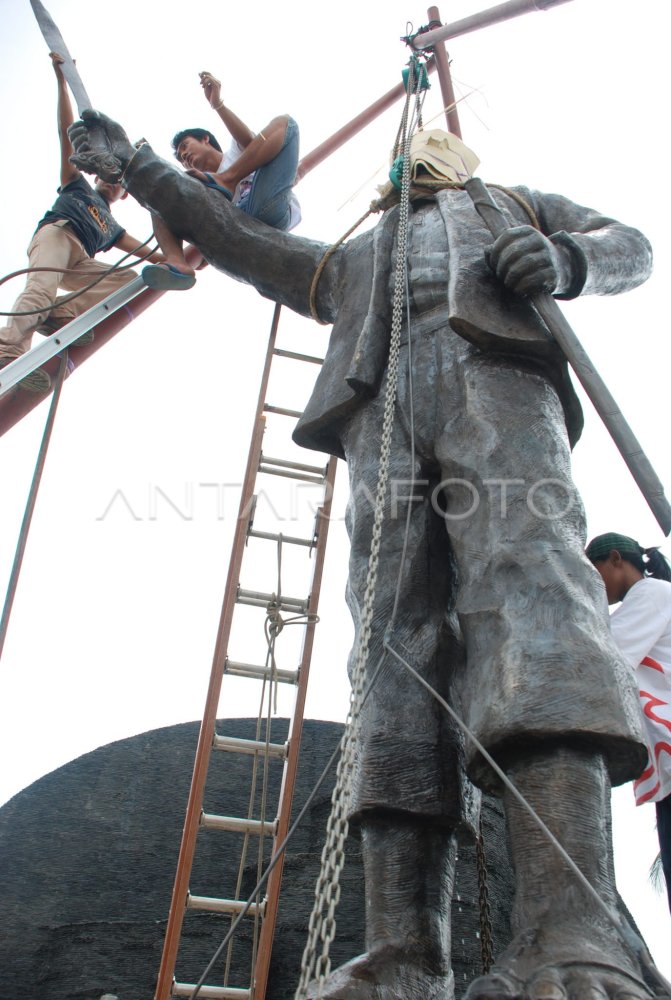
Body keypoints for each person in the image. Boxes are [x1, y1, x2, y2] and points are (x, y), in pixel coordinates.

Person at [68, 111, 669, 1000]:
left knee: (536, 598)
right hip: (378, 407)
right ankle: (403, 948)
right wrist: (144, 169)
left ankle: (571, 931)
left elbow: (629, 243)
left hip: (499, 382)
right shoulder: (355, 255)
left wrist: (570, 262)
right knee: (392, 647)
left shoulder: (513, 205)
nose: (409, 161)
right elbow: (235, 238)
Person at [0, 53, 164, 393]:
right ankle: (8, 351)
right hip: (59, 235)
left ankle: (57, 313)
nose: (110, 182)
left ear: (124, 193)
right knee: (41, 287)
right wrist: (61, 81)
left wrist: (182, 259)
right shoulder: (76, 184)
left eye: (119, 181)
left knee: (128, 280)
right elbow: (64, 132)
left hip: (80, 259)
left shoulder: (111, 226)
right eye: (109, 175)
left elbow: (149, 254)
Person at [141, 70, 301, 292]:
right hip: (233, 227)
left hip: (266, 207)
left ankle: (228, 179)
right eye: (180, 157)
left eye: (185, 146)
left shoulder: (236, 152)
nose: (184, 156)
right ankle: (177, 262)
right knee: (159, 191)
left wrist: (218, 105)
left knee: (286, 124)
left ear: (205, 139)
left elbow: (253, 141)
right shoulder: (198, 184)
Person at [587, 532, 671, 913]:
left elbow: (608, 656)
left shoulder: (652, 595)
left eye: (594, 572)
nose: (592, 583)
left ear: (616, 559)